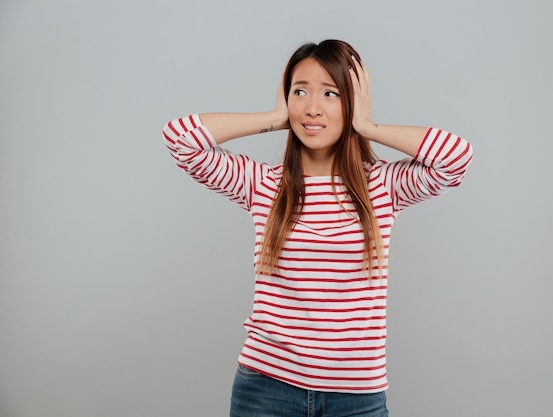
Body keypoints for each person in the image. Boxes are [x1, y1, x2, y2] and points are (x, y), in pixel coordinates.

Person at [162, 39, 473, 417]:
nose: (312, 108)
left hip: (356, 396)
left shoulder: (382, 187)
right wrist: (274, 118)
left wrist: (366, 126)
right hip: (266, 388)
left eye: (330, 93)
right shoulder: (263, 184)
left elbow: (455, 158)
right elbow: (180, 139)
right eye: (300, 92)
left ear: (352, 101)